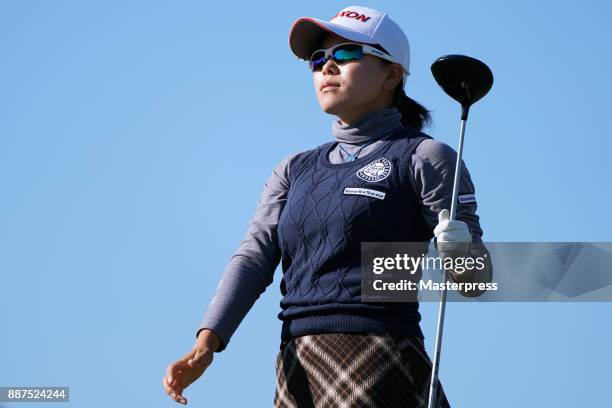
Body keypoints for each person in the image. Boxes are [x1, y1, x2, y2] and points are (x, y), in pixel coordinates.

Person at [163, 5, 491, 407]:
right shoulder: (294, 169)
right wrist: (208, 341)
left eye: (348, 53)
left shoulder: (425, 156)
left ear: (392, 75)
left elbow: (475, 282)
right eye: (318, 59)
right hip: (297, 365)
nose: (328, 66)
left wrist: (459, 252)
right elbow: (253, 257)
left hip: (383, 360)